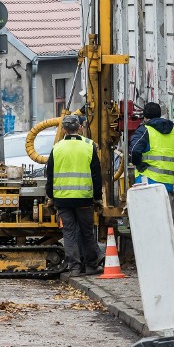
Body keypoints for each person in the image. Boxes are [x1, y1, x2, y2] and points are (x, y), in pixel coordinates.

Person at [46, 114, 103, 277]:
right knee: (87, 232)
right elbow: (96, 175)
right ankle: (91, 266)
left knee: (69, 233)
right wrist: (97, 197)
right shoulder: (89, 146)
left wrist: (51, 196)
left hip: (63, 199)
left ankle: (75, 268)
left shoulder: (56, 148)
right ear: (80, 128)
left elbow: (50, 175)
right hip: (84, 198)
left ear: (63, 130)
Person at [129, 102, 174, 194]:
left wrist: (138, 163)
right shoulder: (172, 132)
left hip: (147, 183)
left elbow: (134, 150)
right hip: (166, 185)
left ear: (144, 116)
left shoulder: (144, 131)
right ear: (159, 114)